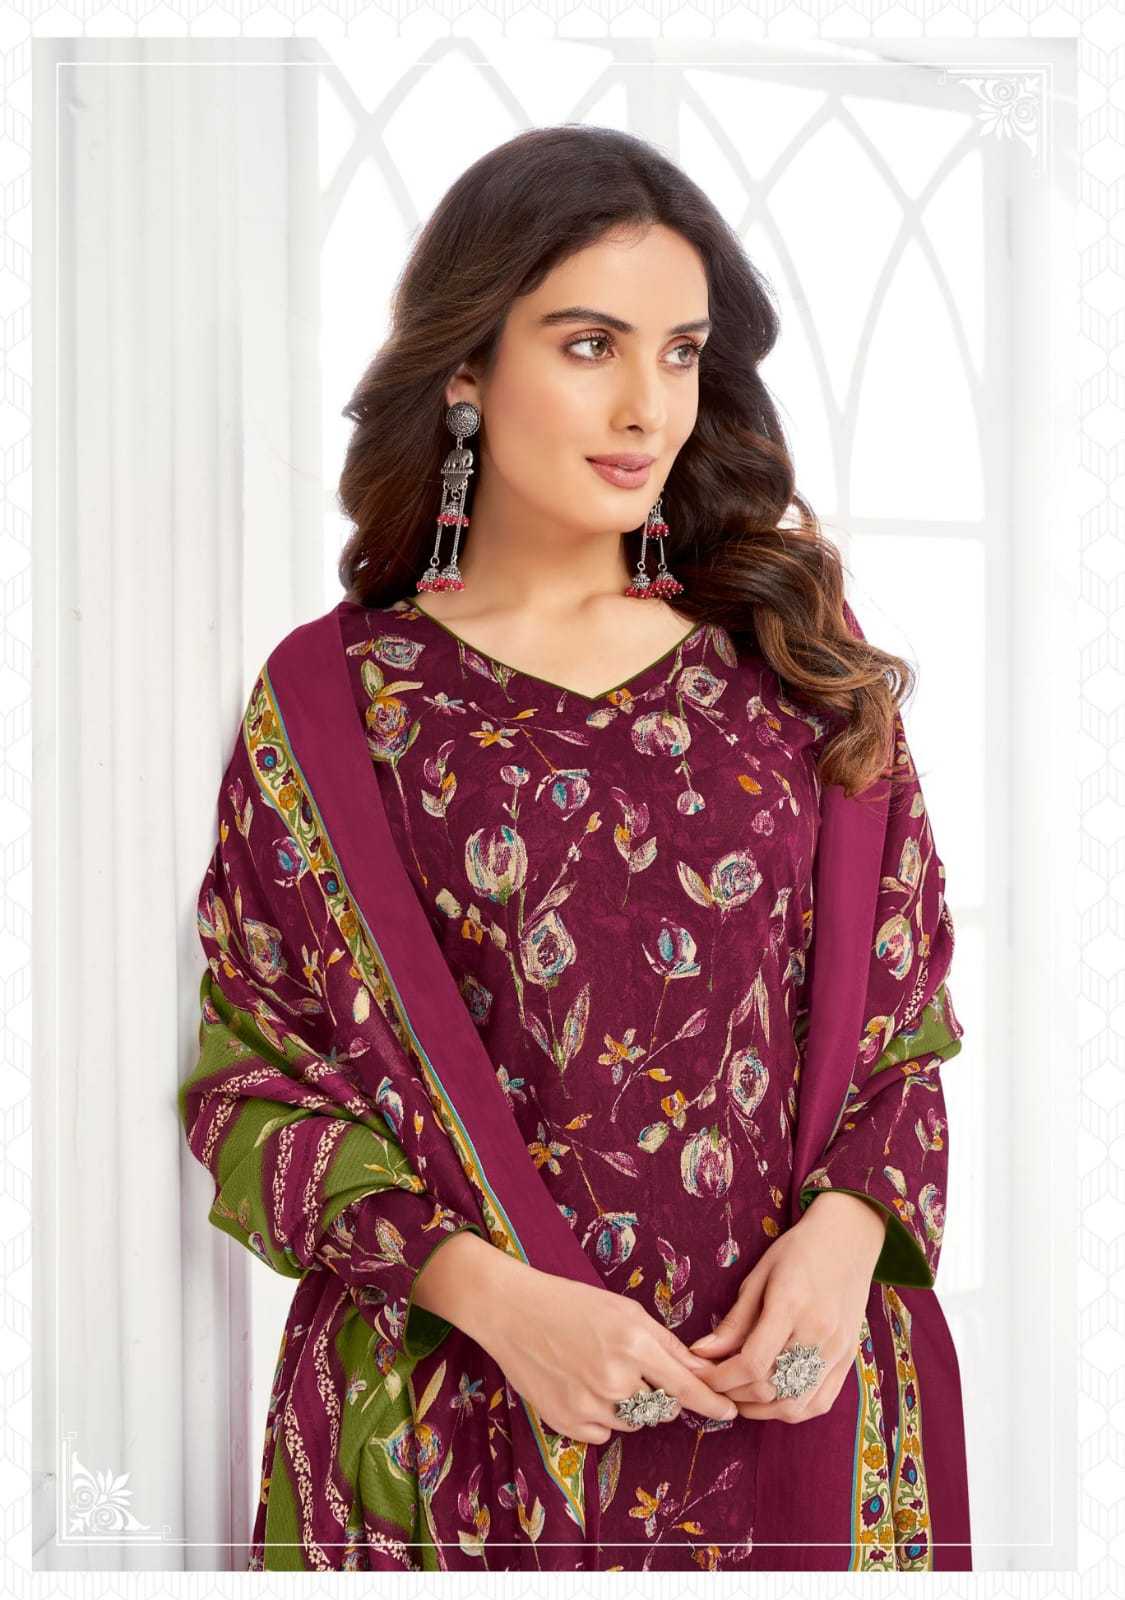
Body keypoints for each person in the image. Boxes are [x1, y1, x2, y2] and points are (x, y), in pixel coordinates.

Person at [177, 124, 971, 1572]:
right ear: (465, 367)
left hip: (789, 1415)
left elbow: (901, 1026)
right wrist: (492, 1299)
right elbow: (252, 1085)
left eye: (681, 353)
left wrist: (848, 1235)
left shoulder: (790, 662)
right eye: (590, 344)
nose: (645, 406)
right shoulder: (342, 705)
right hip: (453, 1441)